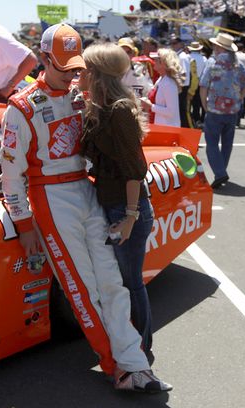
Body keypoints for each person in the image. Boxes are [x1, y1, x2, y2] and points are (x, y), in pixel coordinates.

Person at [0, 23, 171, 392]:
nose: (74, 74)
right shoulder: (21, 106)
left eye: (78, 66)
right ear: (44, 58)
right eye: (65, 67)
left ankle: (136, 362)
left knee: (112, 282)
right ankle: (117, 368)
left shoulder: (82, 95)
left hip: (86, 189)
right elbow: (11, 176)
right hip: (50, 199)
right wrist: (24, 223)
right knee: (82, 287)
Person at [79, 42, 154, 355]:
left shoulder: (119, 110)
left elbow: (135, 170)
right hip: (111, 204)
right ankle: (131, 342)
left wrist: (130, 217)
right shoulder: (98, 107)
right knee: (118, 280)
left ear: (96, 74)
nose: (77, 74)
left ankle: (140, 346)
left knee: (130, 280)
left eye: (83, 69)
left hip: (127, 207)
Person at [199, 33, 245, 189]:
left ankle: (220, 173)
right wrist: (238, 100)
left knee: (212, 144)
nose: (213, 48)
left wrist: (205, 106)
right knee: (227, 143)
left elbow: (204, 87)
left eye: (215, 46)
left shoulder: (212, 63)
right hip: (232, 110)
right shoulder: (238, 64)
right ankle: (221, 171)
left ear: (219, 47)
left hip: (215, 109)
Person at [139, 48, 183, 127]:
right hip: (160, 126)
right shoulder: (161, 79)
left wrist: (150, 106)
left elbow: (171, 112)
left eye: (156, 59)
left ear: (164, 63)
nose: (153, 61)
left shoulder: (169, 83)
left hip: (167, 129)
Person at [169, 35, 191, 128]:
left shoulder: (182, 57)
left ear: (181, 44)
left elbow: (184, 74)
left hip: (182, 87)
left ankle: (186, 129)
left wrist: (179, 87)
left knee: (182, 111)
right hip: (179, 86)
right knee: (179, 110)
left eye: (174, 43)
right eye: (171, 43)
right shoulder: (178, 55)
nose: (172, 45)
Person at [187, 40, 207, 127]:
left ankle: (194, 119)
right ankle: (201, 120)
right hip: (201, 82)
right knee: (201, 102)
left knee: (190, 102)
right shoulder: (204, 59)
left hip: (190, 82)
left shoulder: (188, 57)